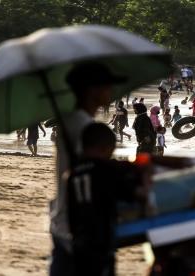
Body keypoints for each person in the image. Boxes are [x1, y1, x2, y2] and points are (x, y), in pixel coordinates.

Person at [50, 63, 128, 276]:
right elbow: (95, 169)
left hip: (69, 219)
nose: (111, 92)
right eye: (107, 87)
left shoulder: (74, 122)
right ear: (92, 90)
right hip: (79, 225)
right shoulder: (82, 127)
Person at [67, 122, 149, 276]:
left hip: (78, 242)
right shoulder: (107, 170)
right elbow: (138, 194)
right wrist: (146, 177)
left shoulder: (72, 175)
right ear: (106, 148)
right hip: (101, 241)